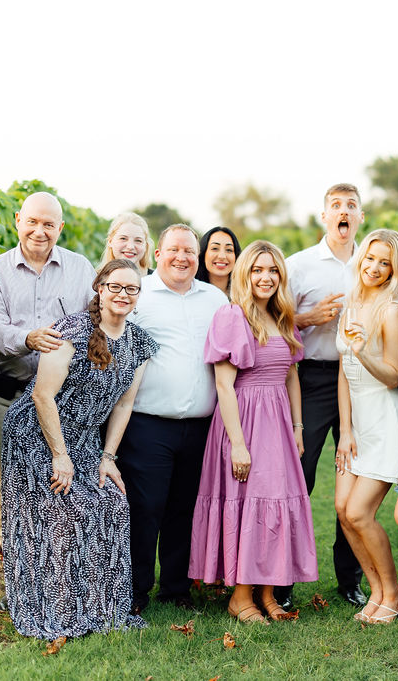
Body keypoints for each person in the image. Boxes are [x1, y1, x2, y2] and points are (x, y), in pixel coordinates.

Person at [1, 259, 158, 640]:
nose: (123, 295)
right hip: (37, 435)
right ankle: (56, 606)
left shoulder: (139, 343)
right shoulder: (73, 330)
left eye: (131, 289)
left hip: (86, 440)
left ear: (138, 296)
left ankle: (102, 607)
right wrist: (59, 455)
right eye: (115, 287)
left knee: (113, 503)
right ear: (100, 289)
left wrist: (108, 459)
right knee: (67, 508)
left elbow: (123, 405)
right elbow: (42, 395)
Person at [189, 241, 318, 623]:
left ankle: (267, 594)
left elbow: (291, 375)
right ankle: (239, 596)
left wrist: (297, 427)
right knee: (251, 504)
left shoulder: (283, 317)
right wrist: (239, 446)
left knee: (275, 502)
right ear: (245, 275)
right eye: (258, 270)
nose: (266, 277)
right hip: (243, 421)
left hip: (278, 422)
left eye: (273, 270)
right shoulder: (232, 316)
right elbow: (224, 385)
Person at [116, 224, 228, 613]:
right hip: (148, 424)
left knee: (184, 508)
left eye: (189, 252)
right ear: (157, 253)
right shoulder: (139, 294)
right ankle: (136, 589)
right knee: (146, 508)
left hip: (200, 426)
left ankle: (177, 587)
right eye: (174, 250)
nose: (182, 258)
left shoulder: (214, 298)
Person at [0, 191, 95, 544]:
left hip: (63, 401)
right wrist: (29, 338)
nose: (39, 231)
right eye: (32, 222)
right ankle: (18, 586)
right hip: (9, 396)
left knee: (64, 488)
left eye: (48, 224)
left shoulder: (81, 269)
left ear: (60, 227)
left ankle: (55, 582)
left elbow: (95, 322)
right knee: (9, 490)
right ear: (18, 220)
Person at [278, 183, 366, 610]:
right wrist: (308, 318)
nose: (343, 212)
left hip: (360, 378)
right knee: (301, 475)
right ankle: (285, 577)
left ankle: (350, 579)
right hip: (311, 378)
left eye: (351, 206)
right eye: (336, 206)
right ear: (324, 217)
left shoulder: (372, 263)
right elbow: (272, 316)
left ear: (360, 218)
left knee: (354, 480)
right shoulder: (299, 266)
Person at [334, 229, 398, 624]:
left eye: (386, 263)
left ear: (394, 268)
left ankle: (393, 593)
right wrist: (345, 431)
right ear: (360, 259)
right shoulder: (351, 305)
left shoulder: (391, 310)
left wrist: (363, 352)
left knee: (361, 512)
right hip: (357, 422)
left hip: (384, 417)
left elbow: (394, 376)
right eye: (371, 259)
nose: (376, 268)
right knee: (343, 510)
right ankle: (376, 590)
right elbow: (344, 375)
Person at [197, 226, 241, 296]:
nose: (222, 256)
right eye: (215, 248)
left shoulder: (245, 296)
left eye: (229, 250)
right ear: (203, 253)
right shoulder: (190, 292)